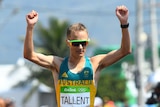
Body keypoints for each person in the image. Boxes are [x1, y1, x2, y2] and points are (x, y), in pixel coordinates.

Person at [24, 5, 131, 107]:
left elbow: (125, 51)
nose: (80, 47)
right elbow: (29, 55)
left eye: (84, 43)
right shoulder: (58, 64)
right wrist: (30, 27)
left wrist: (124, 24)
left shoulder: (94, 64)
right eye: (76, 43)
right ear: (68, 43)